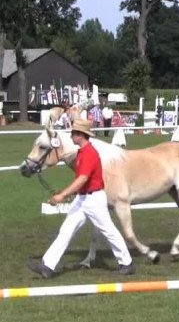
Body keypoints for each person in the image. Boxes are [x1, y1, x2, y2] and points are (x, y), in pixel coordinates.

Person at [27, 119, 135, 278]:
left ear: (81, 135)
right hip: (83, 198)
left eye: (74, 133)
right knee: (65, 231)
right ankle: (47, 266)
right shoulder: (82, 152)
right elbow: (81, 181)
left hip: (93, 200)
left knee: (109, 230)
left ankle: (126, 263)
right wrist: (65, 192)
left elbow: (82, 179)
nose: (71, 135)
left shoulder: (89, 154)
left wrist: (62, 195)